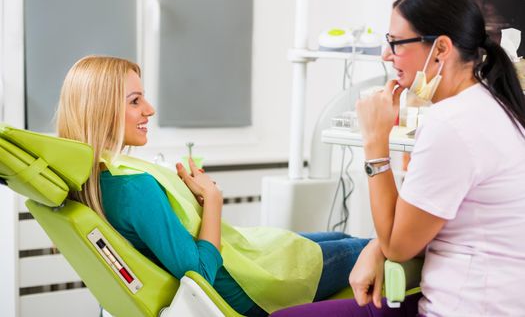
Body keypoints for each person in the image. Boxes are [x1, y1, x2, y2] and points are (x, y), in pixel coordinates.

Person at [271, 0, 525, 317]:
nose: (386, 55)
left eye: (395, 43)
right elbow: (414, 224)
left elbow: (399, 244)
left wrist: (375, 143)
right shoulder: (491, 105)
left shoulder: (453, 124)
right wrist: (375, 248)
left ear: (441, 49)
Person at [55, 55, 371, 316]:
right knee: (371, 248)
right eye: (135, 101)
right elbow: (200, 277)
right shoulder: (132, 189)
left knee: (340, 237)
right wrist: (213, 199)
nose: (150, 109)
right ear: (101, 110)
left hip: (242, 257)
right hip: (240, 285)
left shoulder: (94, 180)